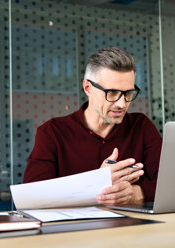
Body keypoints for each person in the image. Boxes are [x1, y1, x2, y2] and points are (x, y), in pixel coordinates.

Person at [23, 47, 162, 205]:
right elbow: (32, 197)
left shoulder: (141, 126)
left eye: (128, 93)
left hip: (133, 228)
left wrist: (139, 193)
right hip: (75, 230)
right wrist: (97, 182)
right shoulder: (52, 133)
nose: (122, 104)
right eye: (112, 93)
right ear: (88, 88)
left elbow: (172, 183)